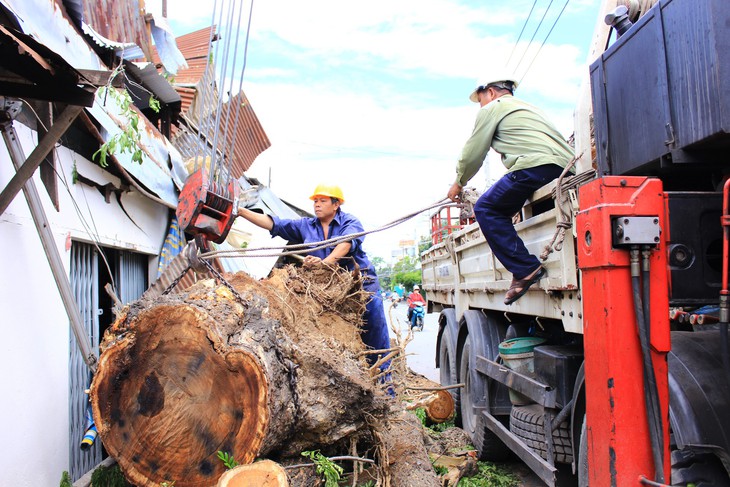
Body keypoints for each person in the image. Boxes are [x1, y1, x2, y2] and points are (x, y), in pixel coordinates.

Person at [447, 74, 574, 305]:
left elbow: (474, 151)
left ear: (491, 93)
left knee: (486, 208)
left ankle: (525, 269)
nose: (481, 105)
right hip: (564, 169)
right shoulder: (530, 108)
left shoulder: (493, 108)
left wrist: (459, 182)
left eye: (480, 99)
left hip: (533, 166)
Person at [236, 183, 391, 367]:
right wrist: (240, 211)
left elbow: (346, 244)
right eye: (315, 201)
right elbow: (274, 224)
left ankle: (385, 387)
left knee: (374, 336)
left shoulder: (350, 222)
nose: (317, 204)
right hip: (328, 292)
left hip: (361, 288)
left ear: (336, 205)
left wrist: (324, 263)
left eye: (322, 201)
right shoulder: (306, 225)